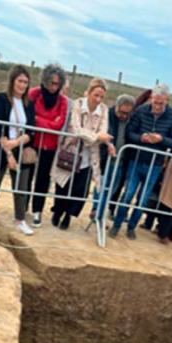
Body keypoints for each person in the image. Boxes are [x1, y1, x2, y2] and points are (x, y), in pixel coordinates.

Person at [109, 84, 172, 240]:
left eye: (161, 103)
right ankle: (117, 224)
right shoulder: (141, 111)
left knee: (142, 199)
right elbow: (129, 133)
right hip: (136, 160)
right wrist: (141, 138)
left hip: (155, 164)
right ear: (151, 99)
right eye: (155, 102)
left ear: (167, 100)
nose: (156, 106)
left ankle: (132, 227)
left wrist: (161, 139)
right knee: (128, 195)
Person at [0, 65, 37, 235]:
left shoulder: (29, 104)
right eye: (20, 81)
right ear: (12, 81)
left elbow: (31, 131)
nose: (23, 85)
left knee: (21, 188)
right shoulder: (1, 98)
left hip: (20, 149)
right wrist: (9, 153)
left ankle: (20, 220)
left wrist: (16, 142)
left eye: (26, 82)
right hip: (0, 149)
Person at [49, 78, 113, 230]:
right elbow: (76, 128)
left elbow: (103, 130)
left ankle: (68, 215)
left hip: (89, 156)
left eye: (101, 97)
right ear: (89, 92)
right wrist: (96, 137)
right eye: (96, 95)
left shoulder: (104, 110)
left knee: (80, 190)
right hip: (70, 151)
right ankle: (57, 211)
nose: (98, 100)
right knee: (63, 184)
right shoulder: (77, 104)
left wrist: (97, 137)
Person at [27, 64, 68, 228]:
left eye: (57, 83)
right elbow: (29, 117)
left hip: (49, 147)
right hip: (31, 142)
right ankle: (22, 208)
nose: (53, 87)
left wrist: (38, 120)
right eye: (51, 82)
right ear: (44, 81)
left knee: (43, 180)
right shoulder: (34, 94)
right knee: (26, 176)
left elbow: (59, 125)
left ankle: (37, 211)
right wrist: (47, 123)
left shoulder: (63, 101)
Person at [90, 93, 135, 223]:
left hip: (120, 161)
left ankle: (100, 212)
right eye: (122, 112)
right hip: (105, 158)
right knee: (101, 186)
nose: (124, 116)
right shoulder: (106, 116)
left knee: (112, 189)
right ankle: (96, 211)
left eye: (127, 113)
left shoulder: (131, 119)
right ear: (117, 106)